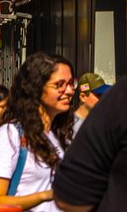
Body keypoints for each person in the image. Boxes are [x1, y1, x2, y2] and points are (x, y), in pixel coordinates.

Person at [0, 52, 75, 211]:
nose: (69, 91)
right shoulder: (10, 134)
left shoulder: (59, 134)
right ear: (36, 87)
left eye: (71, 83)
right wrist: (46, 195)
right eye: (60, 84)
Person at [53, 78, 127, 211]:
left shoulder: (109, 124)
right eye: (98, 95)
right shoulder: (66, 125)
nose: (103, 99)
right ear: (82, 97)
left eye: (105, 95)